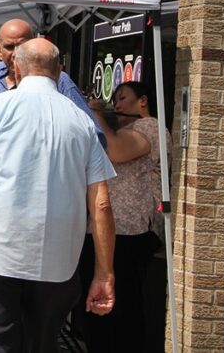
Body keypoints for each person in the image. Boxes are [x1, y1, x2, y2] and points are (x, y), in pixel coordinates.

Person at [0, 39, 117, 353]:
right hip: (60, 265)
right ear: (60, 72)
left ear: (16, 67)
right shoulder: (82, 122)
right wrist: (104, 273)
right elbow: (102, 203)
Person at [76, 81, 169, 352]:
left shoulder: (151, 127)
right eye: (114, 99)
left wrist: (95, 113)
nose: (117, 105)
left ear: (143, 101)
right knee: (96, 312)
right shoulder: (119, 128)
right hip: (103, 231)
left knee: (123, 309)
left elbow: (115, 150)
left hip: (131, 233)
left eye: (124, 98)